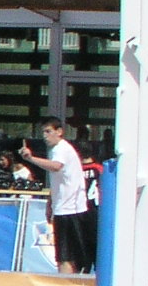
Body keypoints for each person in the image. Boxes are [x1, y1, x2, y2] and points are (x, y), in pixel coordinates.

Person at [19, 117, 93, 274]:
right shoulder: (55, 150)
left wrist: (30, 158)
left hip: (71, 210)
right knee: (66, 255)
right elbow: (59, 181)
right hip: (63, 208)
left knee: (66, 257)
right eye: (43, 132)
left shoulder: (62, 148)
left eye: (48, 131)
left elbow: (56, 167)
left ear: (59, 132)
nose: (45, 136)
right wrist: (50, 203)